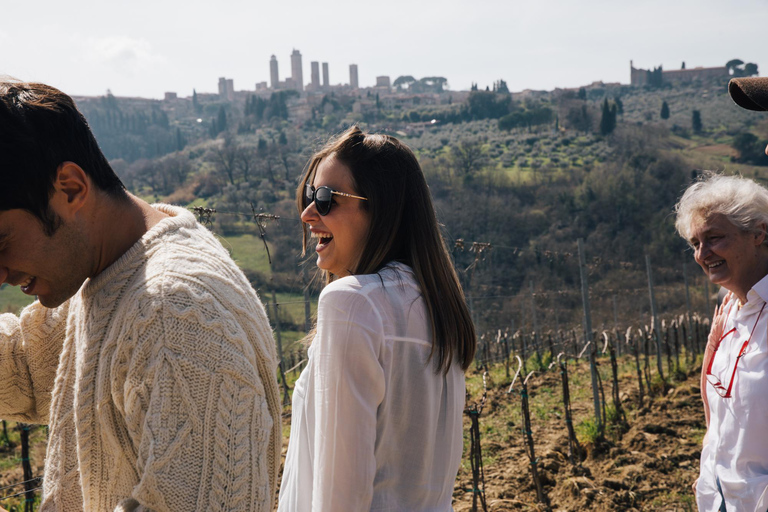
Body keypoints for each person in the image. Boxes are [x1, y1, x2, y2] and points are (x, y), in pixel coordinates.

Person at [0, 80, 281, 511]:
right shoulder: (114, 271)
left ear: (71, 188)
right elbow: (25, 367)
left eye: (1, 243)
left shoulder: (173, 312)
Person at [277, 126, 476, 511]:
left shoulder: (353, 304)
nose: (307, 213)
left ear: (381, 208)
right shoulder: (437, 309)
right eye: (308, 195)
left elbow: (341, 497)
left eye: (326, 198)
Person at [675, 172, 768, 512]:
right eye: (695, 243)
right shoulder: (729, 311)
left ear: (759, 233)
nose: (703, 254)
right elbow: (721, 411)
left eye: (714, 238)